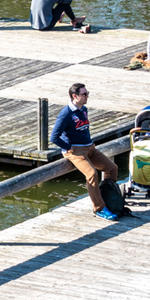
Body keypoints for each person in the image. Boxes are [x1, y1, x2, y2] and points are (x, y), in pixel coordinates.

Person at [51, 82, 121, 221]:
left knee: (112, 168)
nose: (87, 96)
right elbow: (54, 137)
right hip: (75, 150)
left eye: (87, 93)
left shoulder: (83, 109)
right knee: (92, 174)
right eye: (84, 94)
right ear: (74, 96)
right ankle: (99, 208)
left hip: (89, 147)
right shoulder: (66, 113)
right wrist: (68, 147)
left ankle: (108, 198)